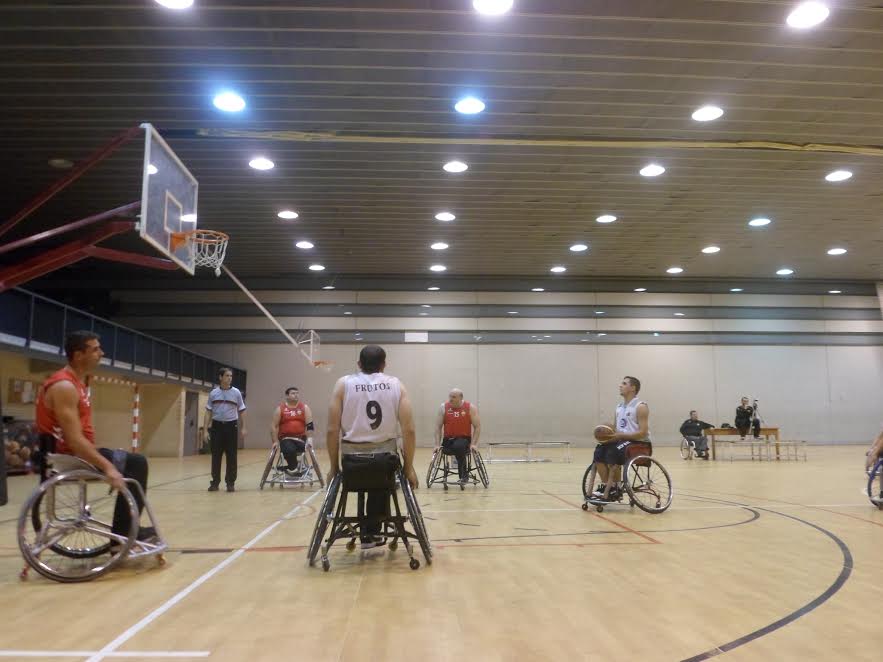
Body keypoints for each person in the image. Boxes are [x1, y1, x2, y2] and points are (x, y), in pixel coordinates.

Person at [35, 330, 154, 542]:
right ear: (78, 355)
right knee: (137, 463)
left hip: (73, 453)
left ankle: (124, 532)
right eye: (95, 349)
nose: (102, 353)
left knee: (131, 461)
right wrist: (108, 467)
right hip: (67, 457)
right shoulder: (64, 386)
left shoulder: (76, 383)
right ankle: (123, 535)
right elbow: (74, 440)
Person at [325, 345, 418, 549]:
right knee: (383, 476)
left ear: (359, 364)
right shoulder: (396, 385)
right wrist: (408, 468)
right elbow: (409, 430)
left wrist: (333, 467)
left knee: (367, 475)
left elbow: (332, 430)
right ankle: (373, 530)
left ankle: (368, 532)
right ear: (384, 365)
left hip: (352, 463)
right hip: (384, 463)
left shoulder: (343, 384)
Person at [593, 376, 650, 501]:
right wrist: (606, 433)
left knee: (613, 451)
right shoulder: (619, 407)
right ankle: (607, 485)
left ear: (633, 388)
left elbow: (643, 433)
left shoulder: (640, 407)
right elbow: (615, 429)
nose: (620, 385)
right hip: (622, 441)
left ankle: (616, 487)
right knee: (599, 450)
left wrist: (621, 436)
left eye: (624, 383)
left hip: (639, 443)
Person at [203, 367, 247, 492]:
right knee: (216, 456)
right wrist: (205, 430)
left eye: (231, 376)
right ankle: (215, 482)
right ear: (220, 377)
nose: (229, 378)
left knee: (232, 456)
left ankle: (230, 483)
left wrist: (244, 427)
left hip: (231, 426)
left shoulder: (236, 393)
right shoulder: (213, 393)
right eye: (227, 375)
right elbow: (208, 412)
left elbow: (242, 410)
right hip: (217, 427)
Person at [434, 388, 481, 484]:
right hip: (448, 440)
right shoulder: (443, 407)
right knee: (454, 447)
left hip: (464, 439)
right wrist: (437, 444)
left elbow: (477, 427)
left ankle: (463, 476)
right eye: (450, 396)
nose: (451, 399)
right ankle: (463, 474)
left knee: (458, 446)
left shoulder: (470, 408)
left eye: (454, 397)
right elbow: (438, 427)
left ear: (461, 398)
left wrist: (474, 444)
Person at [270, 386, 314, 475]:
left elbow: (310, 425)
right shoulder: (280, 408)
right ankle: (294, 468)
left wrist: (310, 439)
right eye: (293, 393)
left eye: (297, 393)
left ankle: (290, 468)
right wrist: (275, 441)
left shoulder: (304, 407)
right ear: (287, 396)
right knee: (289, 449)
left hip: (300, 439)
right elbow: (273, 426)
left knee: (296, 449)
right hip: (286, 439)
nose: (296, 395)